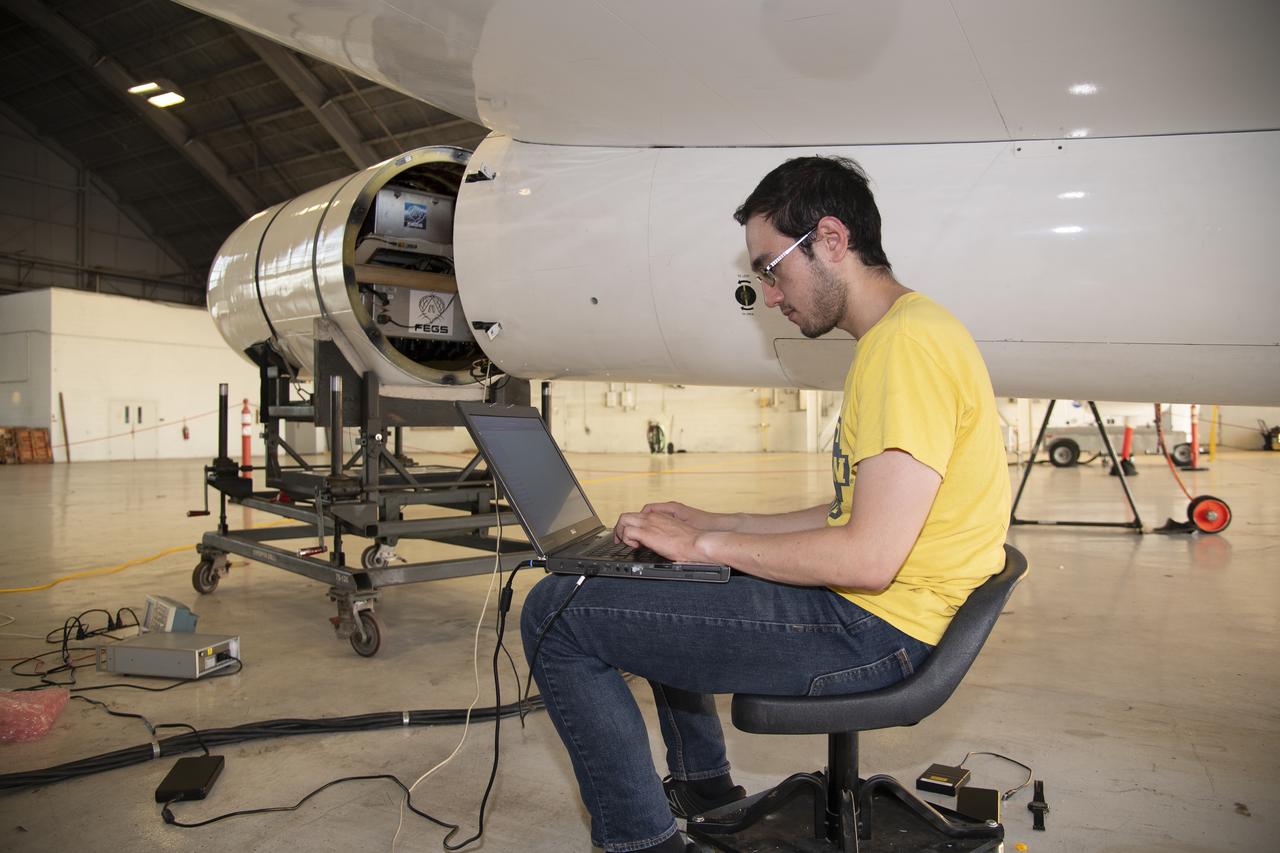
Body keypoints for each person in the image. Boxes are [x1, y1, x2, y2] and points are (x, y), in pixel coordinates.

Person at [519, 156, 1011, 853]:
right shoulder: (904, 335)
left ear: (832, 238)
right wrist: (708, 524)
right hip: (889, 612)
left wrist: (707, 549)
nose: (770, 295)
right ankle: (705, 787)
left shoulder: (907, 349)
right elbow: (846, 512)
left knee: (554, 613)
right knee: (657, 573)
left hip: (877, 630)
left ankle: (643, 843)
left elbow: (868, 557)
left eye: (772, 268)